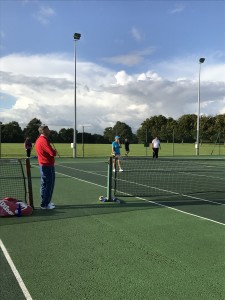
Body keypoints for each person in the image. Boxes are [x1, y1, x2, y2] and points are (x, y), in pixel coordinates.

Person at [35, 125, 57, 210]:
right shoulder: (43, 140)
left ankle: (44, 202)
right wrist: (54, 151)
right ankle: (45, 204)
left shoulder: (39, 140)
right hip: (47, 165)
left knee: (44, 184)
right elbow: (52, 153)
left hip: (43, 165)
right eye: (47, 129)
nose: (49, 130)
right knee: (49, 185)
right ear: (43, 131)